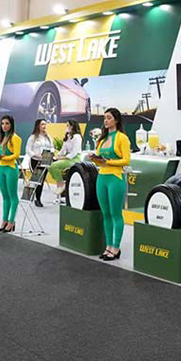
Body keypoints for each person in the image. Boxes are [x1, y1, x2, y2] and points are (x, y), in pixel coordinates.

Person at [89, 108, 131, 261]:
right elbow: (100, 160)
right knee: (105, 213)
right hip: (102, 177)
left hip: (115, 177)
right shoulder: (102, 139)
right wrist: (95, 158)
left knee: (115, 213)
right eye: (104, 118)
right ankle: (108, 246)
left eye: (109, 118)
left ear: (116, 120)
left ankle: (116, 247)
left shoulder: (122, 138)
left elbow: (126, 160)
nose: (105, 121)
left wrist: (109, 162)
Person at [0, 115, 22, 233]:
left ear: (11, 125)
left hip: (11, 169)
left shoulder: (15, 138)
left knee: (13, 196)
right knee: (5, 196)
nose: (4, 126)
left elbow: (16, 155)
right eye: (2, 123)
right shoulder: (1, 138)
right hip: (2, 168)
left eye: (7, 123)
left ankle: (11, 222)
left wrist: (3, 158)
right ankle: (4, 221)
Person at [49, 119, 83, 197]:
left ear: (72, 126)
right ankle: (59, 184)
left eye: (68, 125)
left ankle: (61, 184)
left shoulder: (77, 137)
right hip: (67, 158)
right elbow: (63, 149)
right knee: (50, 165)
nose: (66, 127)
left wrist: (62, 158)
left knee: (54, 166)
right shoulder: (68, 136)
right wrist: (57, 156)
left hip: (74, 159)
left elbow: (74, 153)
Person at [25, 119, 53, 207]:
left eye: (45, 124)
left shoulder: (48, 137)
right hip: (35, 161)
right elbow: (28, 150)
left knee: (41, 181)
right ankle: (30, 196)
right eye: (42, 124)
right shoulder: (33, 137)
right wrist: (36, 155)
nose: (44, 126)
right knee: (36, 180)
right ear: (38, 126)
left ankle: (38, 198)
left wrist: (50, 154)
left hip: (45, 161)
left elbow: (52, 147)